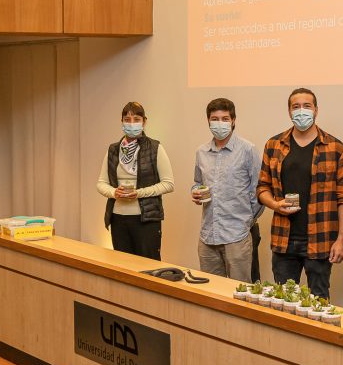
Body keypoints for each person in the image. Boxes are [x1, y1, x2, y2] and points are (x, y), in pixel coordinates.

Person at [257, 88, 343, 299]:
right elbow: (262, 187)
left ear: (316, 110)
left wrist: (341, 239)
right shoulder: (273, 145)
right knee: (283, 301)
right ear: (289, 111)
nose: (301, 111)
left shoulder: (336, 148)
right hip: (283, 240)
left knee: (319, 301)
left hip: (320, 240)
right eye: (296, 106)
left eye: (307, 106)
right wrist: (275, 205)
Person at [191, 98, 264, 282]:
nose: (220, 123)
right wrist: (196, 192)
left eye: (225, 119)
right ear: (208, 121)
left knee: (239, 291)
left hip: (237, 236)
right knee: (210, 291)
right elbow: (198, 182)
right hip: (208, 236)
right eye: (215, 119)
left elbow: (259, 191)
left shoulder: (248, 150)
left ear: (233, 120)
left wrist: (245, 221)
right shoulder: (201, 152)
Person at [96, 102, 175, 260]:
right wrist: (114, 192)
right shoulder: (113, 150)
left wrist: (139, 193)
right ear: (122, 122)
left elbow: (168, 184)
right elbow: (101, 183)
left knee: (148, 267)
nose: (131, 124)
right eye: (127, 119)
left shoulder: (155, 148)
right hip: (118, 218)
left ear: (144, 122)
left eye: (136, 119)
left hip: (146, 219)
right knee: (123, 266)